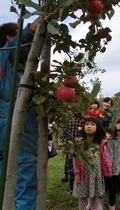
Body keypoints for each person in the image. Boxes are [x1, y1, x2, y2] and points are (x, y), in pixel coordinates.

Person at [0, 18, 39, 209]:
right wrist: (48, 14)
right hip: (16, 119)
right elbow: (29, 33)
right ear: (9, 38)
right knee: (24, 178)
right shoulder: (8, 54)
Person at [72, 117, 112, 210]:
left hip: (96, 174)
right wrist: (77, 174)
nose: (89, 126)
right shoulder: (80, 143)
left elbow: (105, 157)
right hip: (83, 175)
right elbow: (76, 160)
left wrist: (109, 169)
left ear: (98, 127)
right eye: (87, 124)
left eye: (92, 124)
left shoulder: (100, 144)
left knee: (95, 196)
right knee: (82, 197)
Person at [60, 111, 85, 194]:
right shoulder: (68, 118)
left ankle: (78, 182)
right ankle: (69, 182)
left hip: (79, 145)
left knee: (79, 163)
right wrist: (62, 139)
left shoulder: (83, 120)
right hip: (69, 144)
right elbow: (64, 129)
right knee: (69, 163)